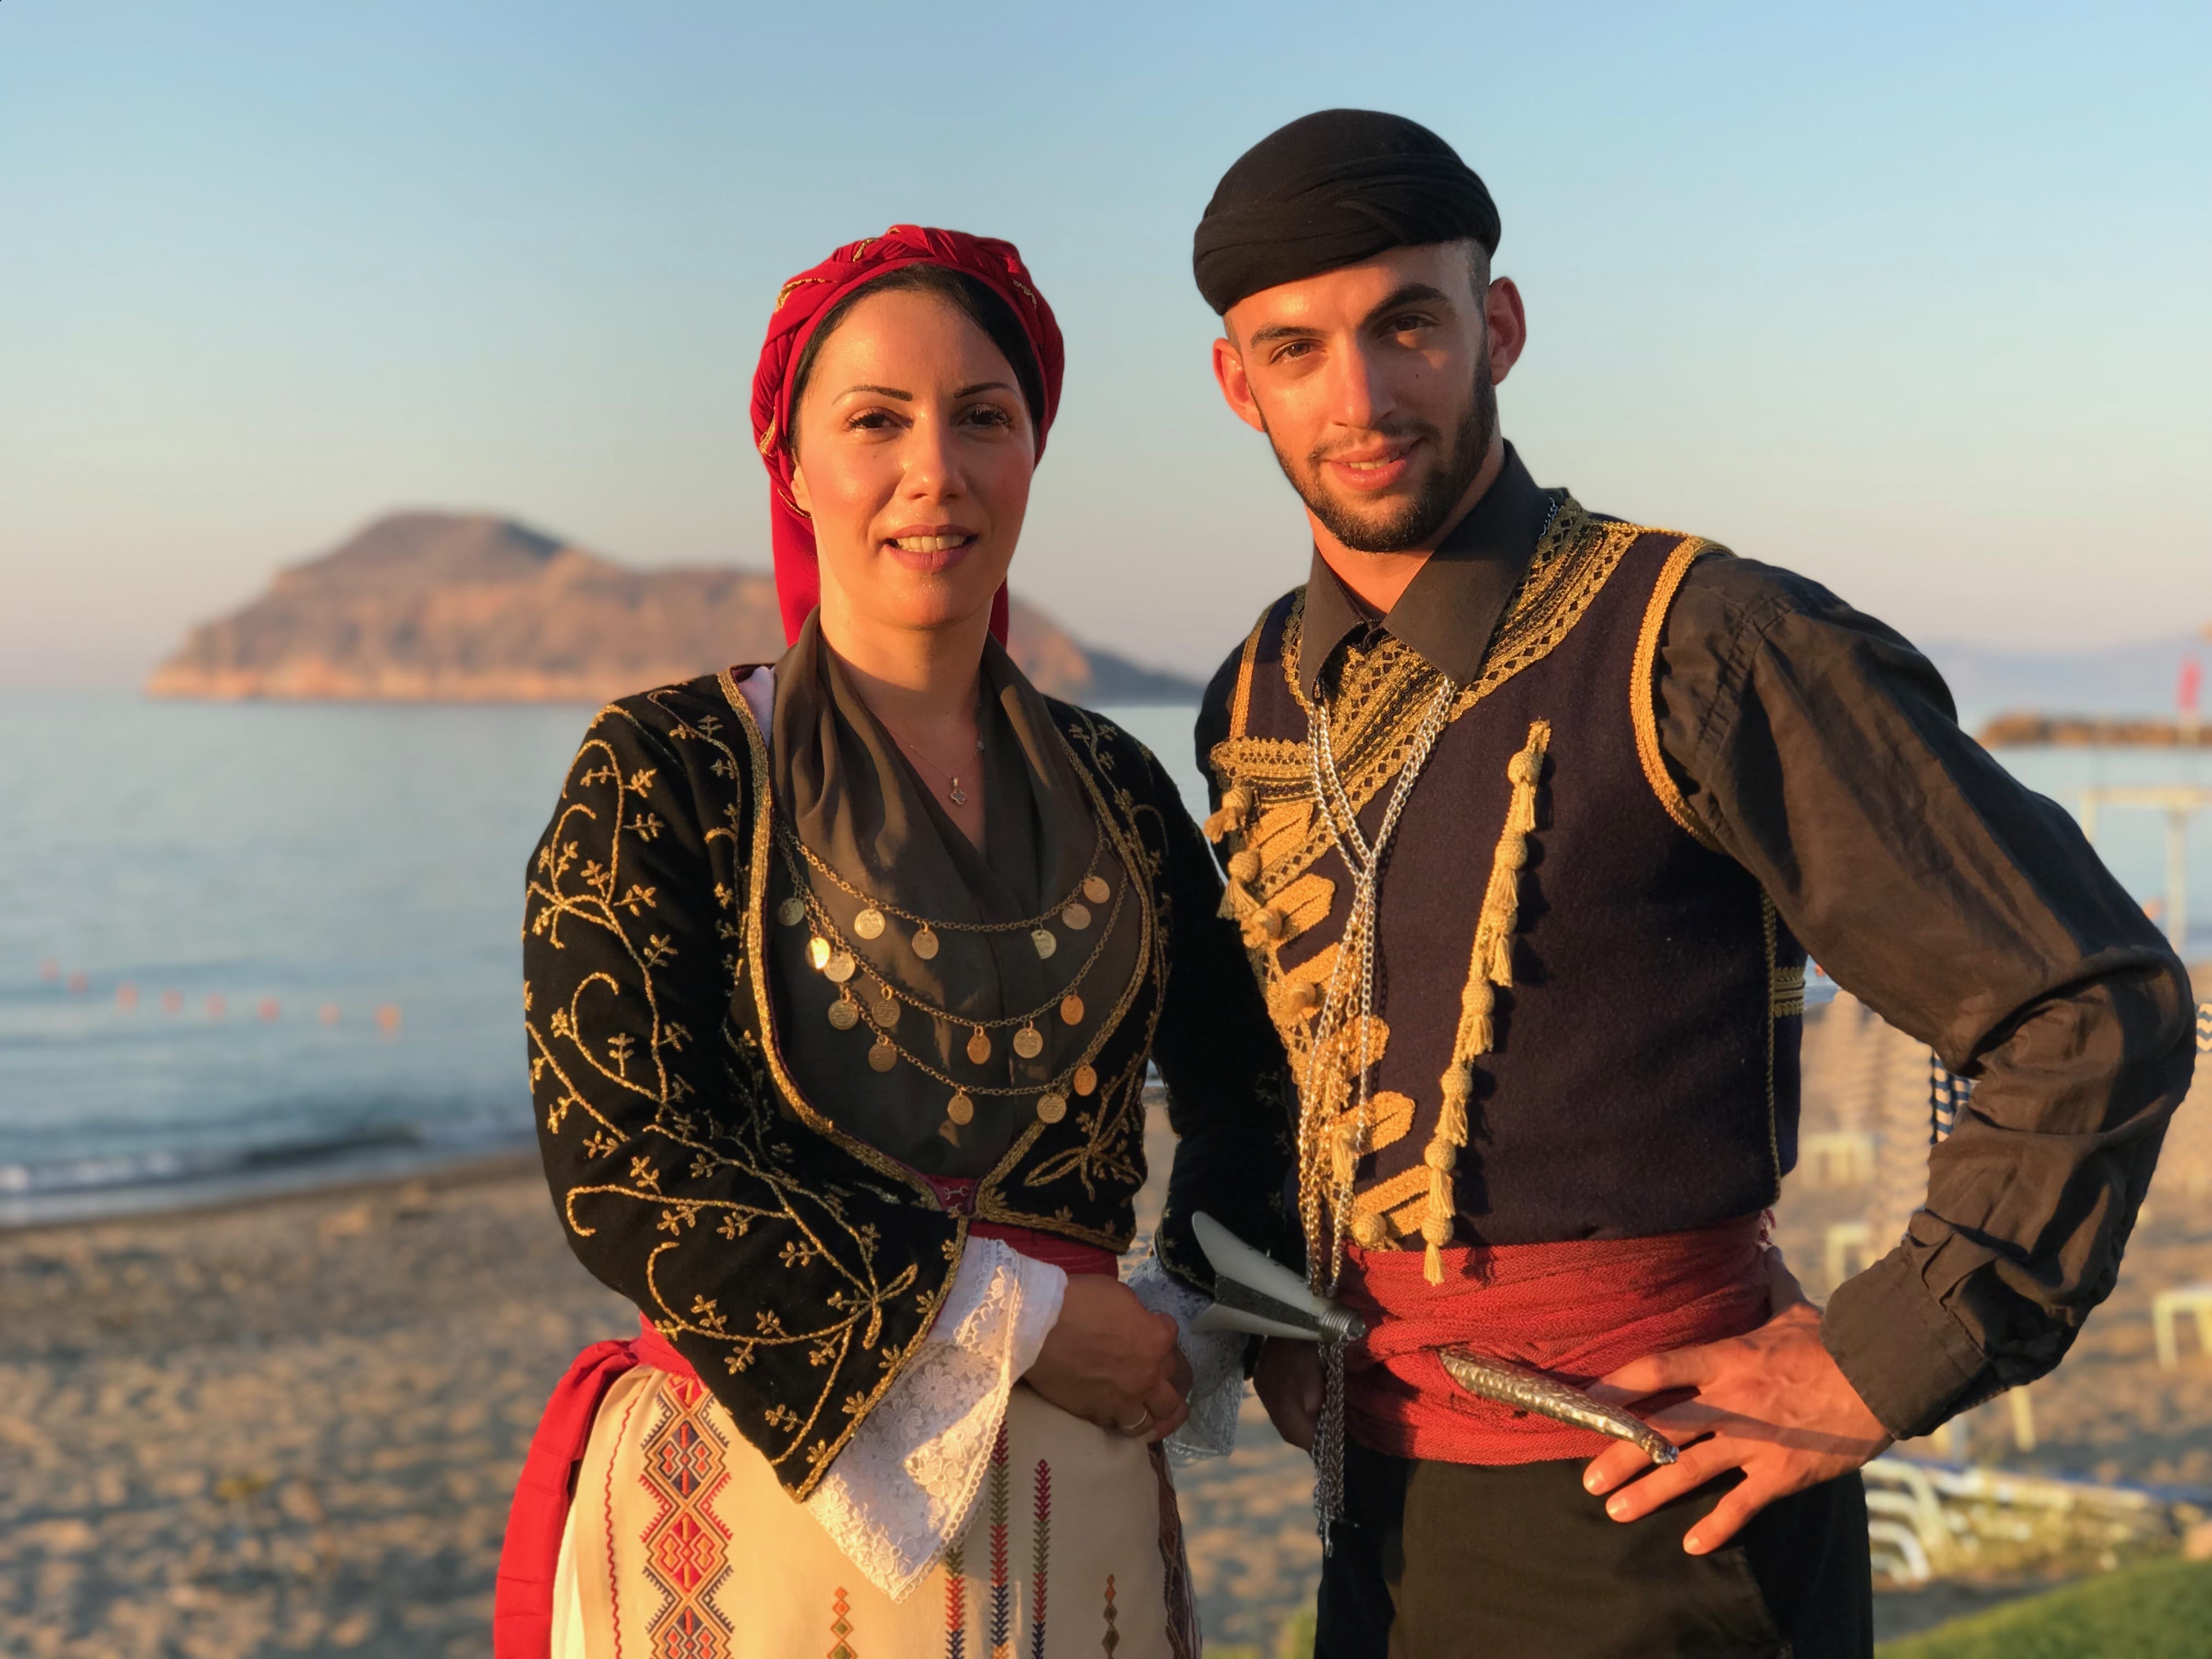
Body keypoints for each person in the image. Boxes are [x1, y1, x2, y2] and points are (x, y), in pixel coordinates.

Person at [1188, 110, 2197, 1657]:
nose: (1365, 395)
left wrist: (1876, 1359)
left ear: (1497, 326)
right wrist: (1263, 1309)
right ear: (1235, 382)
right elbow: (1267, 1067)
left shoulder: (1702, 641)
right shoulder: (1256, 697)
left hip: (1665, 1514)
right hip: (1369, 1519)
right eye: (1299, 348)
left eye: (1410, 323)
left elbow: (2087, 1002)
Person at [491, 225, 1294, 1659]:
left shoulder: (1118, 786)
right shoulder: (668, 765)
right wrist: (1039, 1323)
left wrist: (1194, 1319)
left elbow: (1255, 1085)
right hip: (739, 1532)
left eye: (984, 418)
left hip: (1081, 1526)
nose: (937, 471)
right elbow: (626, 1169)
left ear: (1032, 452)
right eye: (876, 420)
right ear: (792, 463)